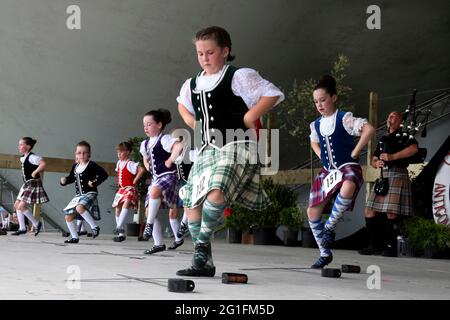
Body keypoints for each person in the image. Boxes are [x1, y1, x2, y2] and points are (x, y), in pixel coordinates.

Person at [176, 26, 284, 276]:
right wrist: (194, 124)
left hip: (238, 145)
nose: (204, 58)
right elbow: (182, 104)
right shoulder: (191, 83)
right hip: (207, 148)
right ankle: (206, 263)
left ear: (225, 51)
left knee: (217, 190)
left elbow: (272, 94)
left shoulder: (238, 76)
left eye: (210, 52)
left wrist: (249, 117)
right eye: (200, 53)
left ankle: (201, 245)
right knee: (191, 201)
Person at [308, 75, 375, 268]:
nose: (319, 104)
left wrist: (356, 151)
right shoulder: (316, 125)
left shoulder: (344, 118)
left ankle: (330, 226)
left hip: (347, 166)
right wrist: (321, 154)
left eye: (323, 100)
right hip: (328, 170)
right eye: (316, 101)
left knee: (348, 185)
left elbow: (369, 130)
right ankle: (324, 252)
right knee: (312, 211)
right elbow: (313, 141)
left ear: (333, 98)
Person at [359, 111, 418, 257]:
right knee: (369, 210)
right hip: (383, 176)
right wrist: (375, 163)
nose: (389, 119)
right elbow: (373, 159)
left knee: (391, 213)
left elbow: (414, 149)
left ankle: (391, 247)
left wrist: (393, 156)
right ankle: (374, 246)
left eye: (393, 116)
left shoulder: (405, 136)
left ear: (399, 121)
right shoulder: (383, 138)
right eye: (388, 116)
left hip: (398, 173)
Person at [140, 109, 184, 254]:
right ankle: (158, 243)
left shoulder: (164, 139)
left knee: (154, 191)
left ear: (159, 125)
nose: (146, 127)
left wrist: (170, 160)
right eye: (144, 125)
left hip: (168, 176)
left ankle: (149, 225)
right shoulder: (145, 144)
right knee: (148, 211)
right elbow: (145, 158)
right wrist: (147, 166)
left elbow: (178, 146)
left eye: (149, 124)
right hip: (156, 178)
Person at [60, 141, 108, 244]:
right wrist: (64, 181)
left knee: (79, 208)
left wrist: (94, 182)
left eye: (84, 153)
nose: (81, 155)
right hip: (78, 196)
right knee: (68, 216)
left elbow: (104, 174)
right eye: (79, 153)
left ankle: (95, 227)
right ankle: (74, 237)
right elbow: (71, 178)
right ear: (76, 154)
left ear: (89, 154)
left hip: (90, 193)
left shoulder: (91, 165)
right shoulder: (75, 166)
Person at [11, 137, 49, 236]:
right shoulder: (24, 157)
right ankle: (22, 228)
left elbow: (43, 164)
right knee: (17, 206)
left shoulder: (33, 157)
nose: (19, 146)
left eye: (21, 144)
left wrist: (35, 171)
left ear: (28, 146)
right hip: (26, 184)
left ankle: (36, 223)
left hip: (32, 183)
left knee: (22, 206)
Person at [112, 141, 145, 242]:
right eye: (118, 152)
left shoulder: (130, 163)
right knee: (117, 208)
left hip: (129, 188)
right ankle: (121, 233)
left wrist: (135, 180)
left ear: (128, 152)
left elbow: (142, 170)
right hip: (122, 189)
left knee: (126, 203)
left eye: (121, 152)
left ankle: (118, 227)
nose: (119, 154)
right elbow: (119, 174)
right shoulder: (119, 163)